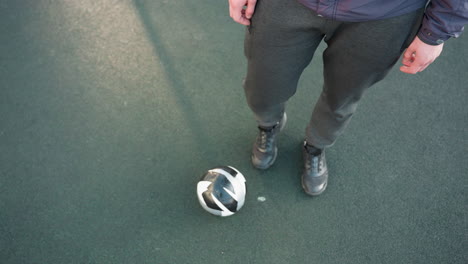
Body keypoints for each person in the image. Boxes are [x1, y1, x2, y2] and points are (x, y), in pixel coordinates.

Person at [228, 0, 468, 196]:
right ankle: (268, 124)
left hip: (385, 14)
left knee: (343, 96)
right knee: (263, 84)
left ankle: (315, 146)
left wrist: (438, 29)